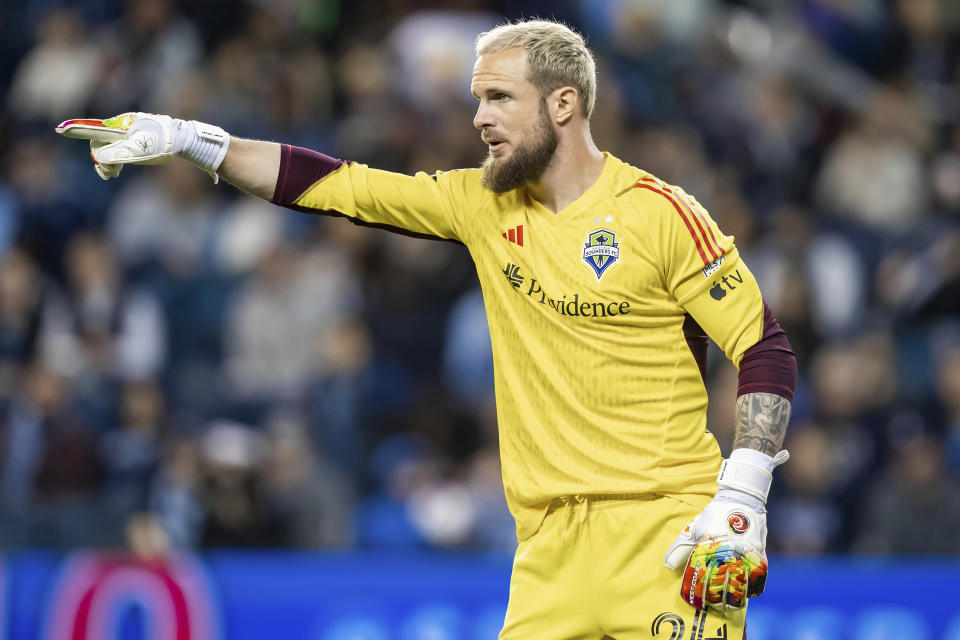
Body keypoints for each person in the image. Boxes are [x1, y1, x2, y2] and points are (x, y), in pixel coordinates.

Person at [57, 19, 796, 640]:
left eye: (500, 98)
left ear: (565, 104)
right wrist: (197, 141)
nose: (479, 118)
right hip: (546, 552)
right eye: (478, 99)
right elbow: (337, 185)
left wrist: (743, 493)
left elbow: (763, 347)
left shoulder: (660, 213)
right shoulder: (480, 203)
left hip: (664, 535)